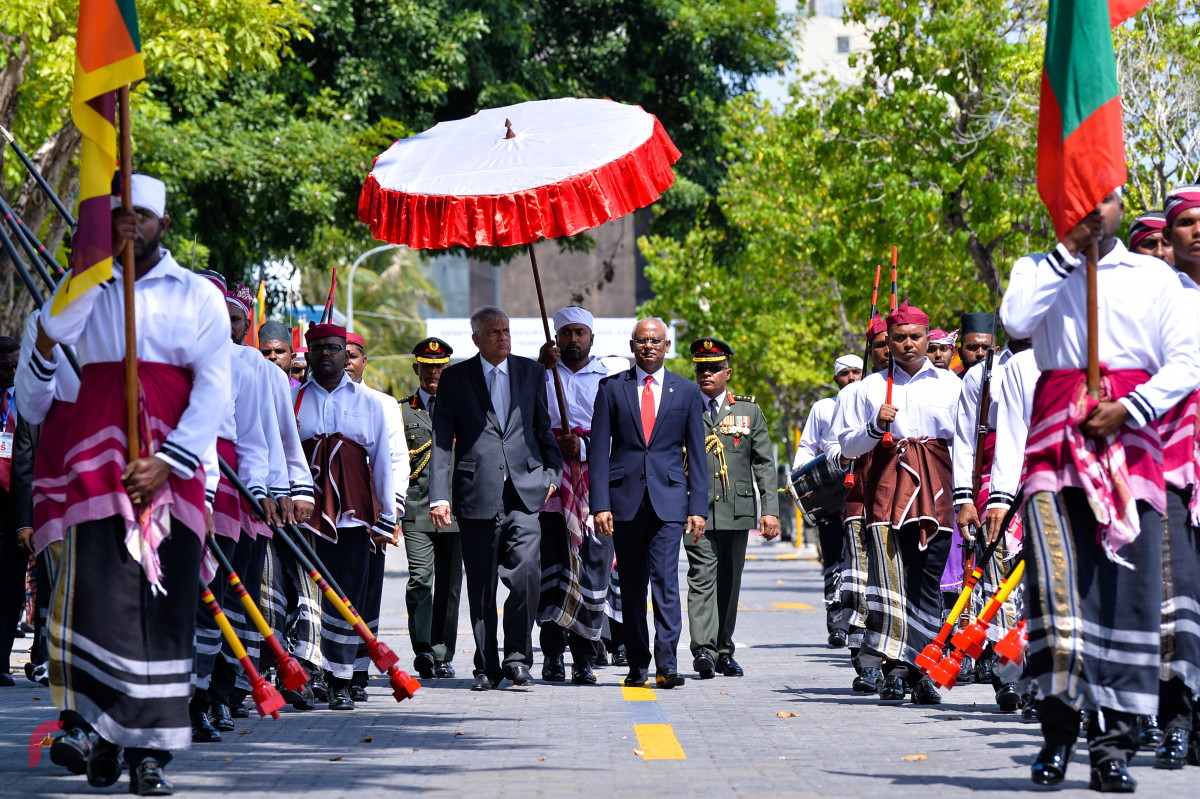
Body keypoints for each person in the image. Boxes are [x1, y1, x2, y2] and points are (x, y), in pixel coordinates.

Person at [1000, 189, 1200, 791]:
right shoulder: (1035, 269)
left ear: (1120, 206)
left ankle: (1113, 749)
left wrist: (1131, 407)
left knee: (1125, 594)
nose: (1092, 210)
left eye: (1104, 200)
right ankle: (1058, 736)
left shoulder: (1153, 277)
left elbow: (1186, 363)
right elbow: (1016, 322)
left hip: (1132, 447)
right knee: (1057, 590)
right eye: (1078, 199)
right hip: (1055, 446)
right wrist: (1068, 252)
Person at [40, 174, 230, 795]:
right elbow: (53, 327)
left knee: (161, 608)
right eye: (121, 215)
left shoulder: (196, 295)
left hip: (174, 471)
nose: (132, 225)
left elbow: (214, 387)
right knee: (97, 599)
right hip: (98, 462)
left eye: (142, 216)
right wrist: (95, 259)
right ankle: (92, 729)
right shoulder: (90, 285)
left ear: (163, 226)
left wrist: (169, 461)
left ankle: (150, 755)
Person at [429, 306, 563, 691]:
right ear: (476, 339)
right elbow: (441, 442)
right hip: (477, 494)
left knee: (526, 572)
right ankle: (487, 665)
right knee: (482, 585)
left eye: (506, 330)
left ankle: (517, 658)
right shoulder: (455, 378)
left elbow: (543, 429)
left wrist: (552, 475)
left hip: (525, 492)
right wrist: (439, 497)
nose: (502, 336)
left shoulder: (531, 372)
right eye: (493, 331)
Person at [835, 300, 962, 706]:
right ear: (887, 341)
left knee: (927, 581)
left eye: (916, 337)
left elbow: (965, 447)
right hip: (887, 492)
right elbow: (847, 446)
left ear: (928, 338)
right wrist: (876, 426)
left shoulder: (951, 385)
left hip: (938, 491)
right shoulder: (868, 388)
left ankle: (922, 671)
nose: (908, 344)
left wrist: (967, 500)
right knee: (892, 582)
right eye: (900, 338)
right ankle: (894, 670)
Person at [590, 317, 708, 689]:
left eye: (656, 341)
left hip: (669, 502)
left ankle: (667, 664)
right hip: (623, 502)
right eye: (642, 341)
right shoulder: (611, 388)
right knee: (631, 585)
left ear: (667, 346)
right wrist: (599, 504)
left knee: (666, 584)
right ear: (632, 346)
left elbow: (697, 455)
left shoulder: (686, 391)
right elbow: (598, 451)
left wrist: (698, 508)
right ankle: (638, 663)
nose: (649, 346)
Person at [294, 322, 398, 710]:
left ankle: (342, 680)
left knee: (347, 597)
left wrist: (387, 517)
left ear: (346, 353)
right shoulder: (292, 400)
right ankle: (309, 676)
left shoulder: (370, 402)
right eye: (318, 347)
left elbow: (383, 461)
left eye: (334, 347)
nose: (326, 353)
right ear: (308, 354)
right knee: (308, 597)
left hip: (354, 518)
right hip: (304, 516)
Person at [189, 274, 274, 741]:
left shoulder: (243, 364)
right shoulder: (159, 349)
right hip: (155, 479)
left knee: (215, 600)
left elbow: (258, 439)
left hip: (222, 487)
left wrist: (265, 490)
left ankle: (206, 698)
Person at [535, 306, 623, 685]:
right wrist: (539, 368)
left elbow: (620, 436)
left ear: (591, 338)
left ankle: (585, 657)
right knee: (552, 568)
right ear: (556, 338)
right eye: (566, 333)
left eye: (579, 333)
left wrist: (584, 447)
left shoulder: (608, 380)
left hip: (595, 487)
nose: (573, 339)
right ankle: (552, 655)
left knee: (591, 570)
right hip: (550, 487)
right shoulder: (539, 376)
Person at [13, 308, 83, 768]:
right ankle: (77, 721)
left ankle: (129, 729)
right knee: (69, 604)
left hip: (130, 480)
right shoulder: (49, 314)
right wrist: (44, 346)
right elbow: (31, 407)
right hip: (63, 484)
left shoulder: (158, 302)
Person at [950, 325, 1033, 711]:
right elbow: (966, 440)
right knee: (1000, 585)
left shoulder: (1068, 360)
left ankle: (1044, 679)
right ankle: (1008, 675)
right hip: (994, 493)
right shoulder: (982, 375)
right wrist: (964, 499)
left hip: (1054, 480)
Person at [686, 337, 779, 678]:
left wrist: (770, 510)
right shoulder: (683, 406)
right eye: (701, 368)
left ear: (727, 372)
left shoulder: (748, 410)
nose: (706, 374)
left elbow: (764, 463)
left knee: (729, 581)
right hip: (694, 509)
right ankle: (704, 649)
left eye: (713, 368)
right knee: (701, 578)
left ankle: (724, 650)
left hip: (736, 510)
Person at [1150, 185, 1200, 768]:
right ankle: (1176, 722)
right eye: (1188, 221)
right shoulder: (1154, 303)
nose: (1198, 230)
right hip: (1168, 465)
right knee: (1175, 597)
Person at [343, 330, 409, 701]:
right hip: (325, 516)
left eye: (352, 355)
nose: (346, 361)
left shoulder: (382, 404)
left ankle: (357, 672)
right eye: (338, 353)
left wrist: (390, 512)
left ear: (364, 361)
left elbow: (397, 460)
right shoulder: (306, 397)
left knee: (365, 593)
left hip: (370, 513)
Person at [401, 337, 462, 680]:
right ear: (416, 368)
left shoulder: (462, 409)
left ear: (447, 369)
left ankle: (442, 653)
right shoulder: (402, 411)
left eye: (439, 366)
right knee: (420, 579)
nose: (433, 372)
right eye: (427, 366)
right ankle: (423, 648)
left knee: (450, 585)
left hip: (455, 510)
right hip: (417, 508)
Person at [834, 314, 889, 681]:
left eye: (892, 342)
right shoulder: (854, 393)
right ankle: (864, 657)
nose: (889, 351)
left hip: (902, 500)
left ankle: (899, 661)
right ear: (871, 350)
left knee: (892, 579)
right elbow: (835, 446)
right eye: (881, 344)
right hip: (860, 497)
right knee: (862, 578)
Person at [793, 354, 862, 647]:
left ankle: (859, 620)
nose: (851, 378)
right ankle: (837, 623)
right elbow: (807, 446)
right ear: (836, 379)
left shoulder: (872, 403)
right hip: (830, 494)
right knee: (834, 557)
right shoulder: (823, 408)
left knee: (860, 558)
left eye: (856, 372)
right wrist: (799, 478)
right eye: (845, 373)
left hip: (863, 493)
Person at [0, 336, 23, 689]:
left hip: (16, 508)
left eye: (16, 366)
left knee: (11, 588)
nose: (12, 372)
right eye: (5, 367)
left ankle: (1, 660)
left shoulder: (29, 401)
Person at [258, 320, 299, 386]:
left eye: (279, 351)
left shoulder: (302, 391)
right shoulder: (250, 389)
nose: (272, 356)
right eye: (266, 352)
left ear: (292, 358)